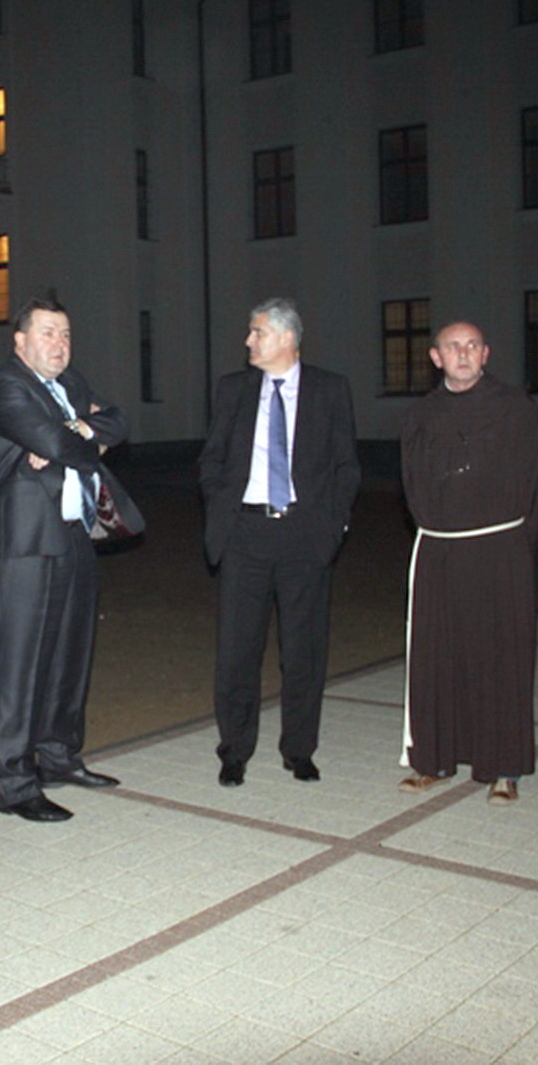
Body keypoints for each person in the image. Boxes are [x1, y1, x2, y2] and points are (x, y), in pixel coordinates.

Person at [0, 292, 144, 821]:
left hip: (75, 533)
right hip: (26, 542)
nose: (60, 344)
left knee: (72, 653)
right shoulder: (1, 387)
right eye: (47, 333)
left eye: (66, 334)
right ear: (20, 341)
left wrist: (78, 431)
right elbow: (54, 440)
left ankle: (58, 756)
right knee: (22, 663)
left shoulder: (70, 383)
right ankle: (14, 782)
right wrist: (74, 436)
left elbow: (118, 421)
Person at [199, 297, 360, 786]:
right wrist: (223, 512)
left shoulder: (329, 390)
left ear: (287, 338)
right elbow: (212, 459)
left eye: (258, 332)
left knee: (304, 652)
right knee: (236, 652)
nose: (248, 340)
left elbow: (346, 466)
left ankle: (299, 750)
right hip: (245, 534)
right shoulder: (233, 390)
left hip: (303, 535)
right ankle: (234, 751)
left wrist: (331, 529)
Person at [399, 320, 538, 804]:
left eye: (472, 346)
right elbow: (412, 482)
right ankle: (434, 758)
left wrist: (517, 547)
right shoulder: (422, 414)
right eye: (453, 346)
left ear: (486, 354)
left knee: (501, 659)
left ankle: (503, 767)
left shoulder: (516, 408)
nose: (463, 354)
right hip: (441, 550)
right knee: (437, 659)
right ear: (436, 357)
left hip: (498, 550)